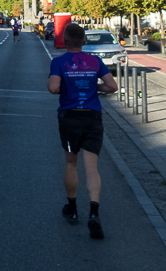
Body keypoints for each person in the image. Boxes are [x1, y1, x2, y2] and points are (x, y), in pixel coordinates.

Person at [48, 23, 117, 239]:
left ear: (65, 41)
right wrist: (91, 86)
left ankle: (73, 208)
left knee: (71, 162)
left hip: (70, 117)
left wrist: (69, 86)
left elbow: (53, 88)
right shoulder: (95, 61)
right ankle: (94, 213)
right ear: (84, 41)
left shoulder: (59, 62)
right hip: (92, 117)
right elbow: (112, 86)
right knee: (92, 167)